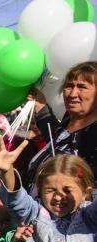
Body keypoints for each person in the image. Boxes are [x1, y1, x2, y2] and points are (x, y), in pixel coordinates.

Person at [27, 61, 97, 197]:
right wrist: (41, 108)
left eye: (82, 87)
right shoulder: (68, 118)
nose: (72, 94)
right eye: (69, 86)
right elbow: (54, 142)